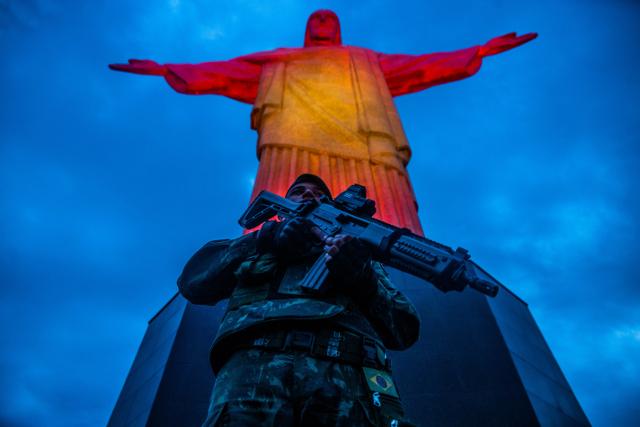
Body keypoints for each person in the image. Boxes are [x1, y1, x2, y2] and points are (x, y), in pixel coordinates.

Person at [110, 10, 536, 235]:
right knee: (284, 199)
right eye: (315, 19)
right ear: (306, 27)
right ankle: (270, 240)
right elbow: (226, 70)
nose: (322, 24)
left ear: (338, 27)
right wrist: (168, 68)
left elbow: (420, 66)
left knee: (382, 208)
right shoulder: (281, 59)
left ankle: (392, 241)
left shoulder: (364, 60)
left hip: (364, 140)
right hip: (293, 137)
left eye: (329, 20)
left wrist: (478, 51)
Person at [178, 174, 420, 426]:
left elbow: (405, 329)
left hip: (347, 372)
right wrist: (264, 238)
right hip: (255, 369)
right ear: (282, 209)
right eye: (299, 191)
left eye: (319, 193)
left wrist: (363, 279)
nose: (308, 193)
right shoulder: (258, 245)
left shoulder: (357, 255)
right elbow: (192, 284)